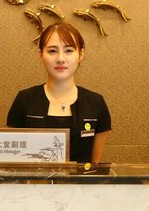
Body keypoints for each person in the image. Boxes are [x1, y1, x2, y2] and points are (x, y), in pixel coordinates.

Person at [6, 22, 111, 163]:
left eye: (69, 51)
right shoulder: (24, 100)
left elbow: (94, 163)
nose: (60, 59)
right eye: (52, 51)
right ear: (40, 55)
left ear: (81, 54)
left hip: (81, 178)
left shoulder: (96, 103)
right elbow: (13, 156)